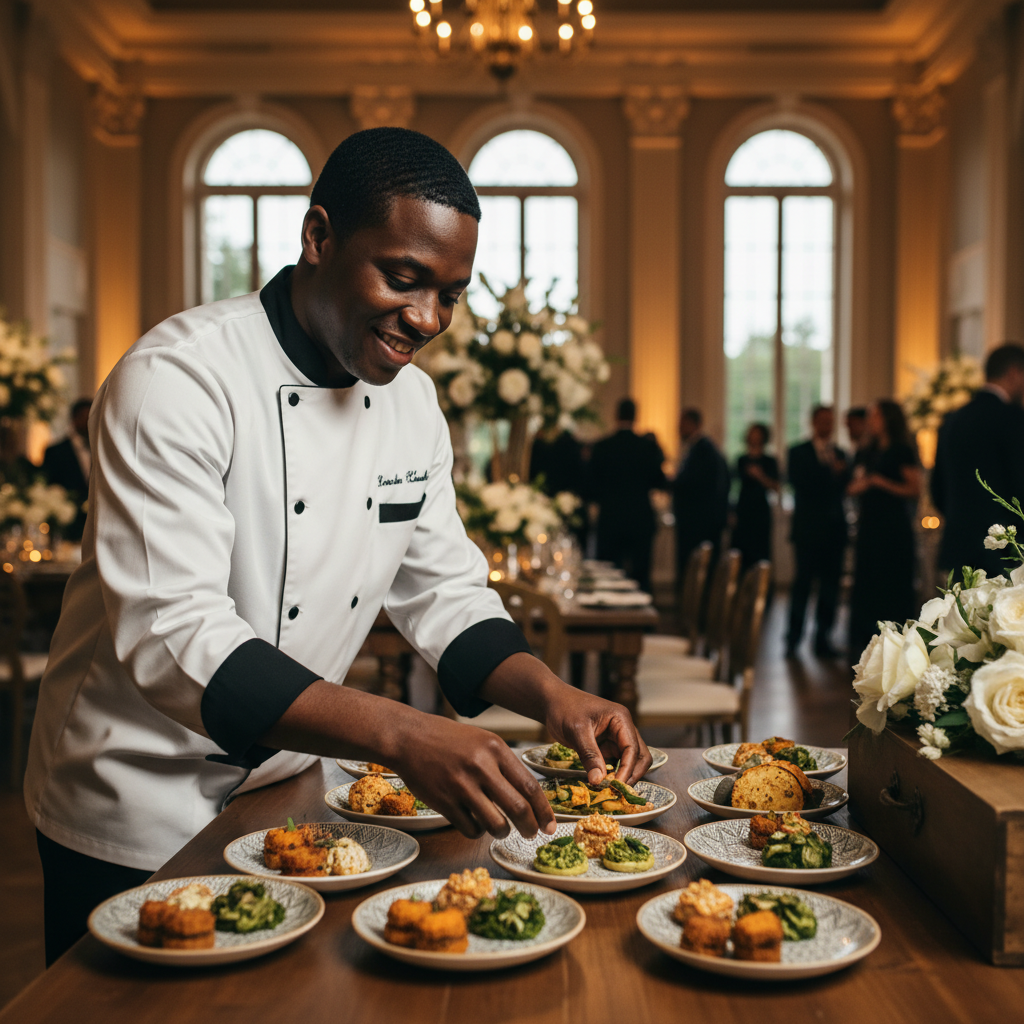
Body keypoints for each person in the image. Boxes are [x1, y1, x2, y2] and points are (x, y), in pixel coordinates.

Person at [24, 128, 651, 965]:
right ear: (318, 237)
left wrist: (553, 696)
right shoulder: (177, 379)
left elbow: (447, 595)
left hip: (285, 791)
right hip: (131, 800)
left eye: (451, 295)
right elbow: (176, 635)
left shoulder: (412, 405)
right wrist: (401, 734)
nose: (427, 319)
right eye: (403, 278)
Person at [931, 343, 1024, 579]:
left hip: (958, 545)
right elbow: (1019, 482)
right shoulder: (1012, 418)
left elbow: (937, 488)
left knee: (963, 615)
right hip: (1003, 549)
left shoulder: (952, 419)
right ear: (1014, 372)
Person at [847, 400, 922, 656]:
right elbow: (854, 484)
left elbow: (915, 489)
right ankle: (867, 640)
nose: (871, 421)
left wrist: (881, 483)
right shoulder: (866, 451)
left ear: (888, 418)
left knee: (892, 583)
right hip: (870, 526)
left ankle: (896, 640)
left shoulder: (902, 450)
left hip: (894, 529)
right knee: (868, 582)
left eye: (875, 415)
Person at [786, 405, 850, 658]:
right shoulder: (797, 452)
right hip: (807, 531)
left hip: (834, 532)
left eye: (830, 421)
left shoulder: (842, 454)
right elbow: (799, 483)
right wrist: (829, 473)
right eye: (822, 421)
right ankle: (792, 639)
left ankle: (823, 639)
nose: (826, 425)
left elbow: (846, 487)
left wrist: (836, 474)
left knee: (830, 588)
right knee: (802, 585)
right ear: (813, 422)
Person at [587, 398, 666, 592]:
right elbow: (660, 482)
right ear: (635, 416)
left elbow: (590, 487)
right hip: (640, 521)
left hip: (610, 520)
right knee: (641, 578)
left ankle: (608, 621)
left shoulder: (602, 447)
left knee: (606, 577)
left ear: (616, 415)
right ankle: (643, 621)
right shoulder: (647, 447)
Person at [672, 408, 729, 587]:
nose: (678, 429)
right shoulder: (699, 449)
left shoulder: (703, 450)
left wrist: (670, 482)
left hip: (698, 524)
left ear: (691, 424)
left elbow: (693, 484)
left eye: (681, 424)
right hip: (698, 522)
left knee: (697, 573)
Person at [41, 397, 92, 540]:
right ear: (74, 419)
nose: (90, 422)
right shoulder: (55, 451)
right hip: (68, 528)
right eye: (86, 417)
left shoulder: (103, 448)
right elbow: (50, 487)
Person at [731, 422, 779, 570]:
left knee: (761, 551)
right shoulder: (741, 460)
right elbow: (733, 486)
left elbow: (776, 486)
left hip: (760, 510)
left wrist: (760, 476)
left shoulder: (770, 461)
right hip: (743, 508)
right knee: (741, 551)